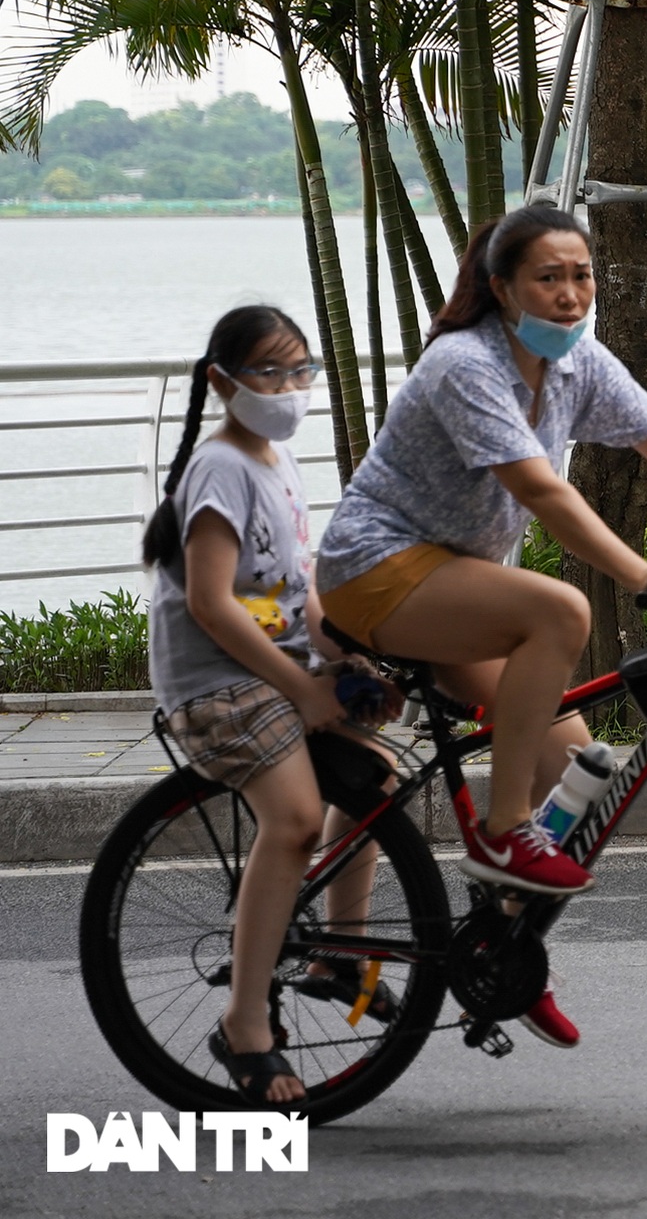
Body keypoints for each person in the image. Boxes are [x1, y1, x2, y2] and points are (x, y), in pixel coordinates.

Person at [314, 203, 647, 1048]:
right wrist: (638, 570)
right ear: (501, 288)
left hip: (451, 586)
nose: (571, 296)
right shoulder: (467, 365)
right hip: (375, 573)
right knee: (560, 610)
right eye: (548, 278)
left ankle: (502, 949)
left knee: (579, 766)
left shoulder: (574, 366)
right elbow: (543, 492)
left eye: (582, 276)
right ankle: (502, 840)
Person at [144, 306, 402, 1106]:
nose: (289, 390)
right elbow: (215, 605)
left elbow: (298, 592)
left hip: (271, 669)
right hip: (214, 683)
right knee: (293, 821)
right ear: (221, 382)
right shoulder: (221, 466)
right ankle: (244, 1024)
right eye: (269, 374)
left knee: (376, 778)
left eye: (301, 373)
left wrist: (344, 662)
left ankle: (338, 955)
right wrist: (303, 689)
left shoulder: (276, 460)